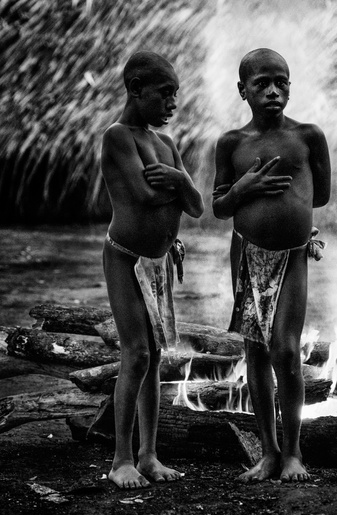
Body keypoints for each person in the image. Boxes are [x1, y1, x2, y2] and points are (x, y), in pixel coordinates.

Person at [212, 48, 331, 483]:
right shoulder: (232, 143)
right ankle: (268, 452)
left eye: (281, 82)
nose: (273, 91)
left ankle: (294, 452)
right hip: (247, 254)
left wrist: (291, 218)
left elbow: (321, 195)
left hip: (293, 255)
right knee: (256, 352)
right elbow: (220, 207)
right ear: (242, 90)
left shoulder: (308, 136)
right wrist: (245, 188)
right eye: (261, 83)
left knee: (285, 349)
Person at [99, 51, 204, 489]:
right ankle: (120, 460)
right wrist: (179, 187)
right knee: (137, 353)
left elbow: (197, 206)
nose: (173, 103)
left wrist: (180, 182)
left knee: (156, 357)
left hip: (157, 262)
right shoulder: (117, 137)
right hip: (125, 257)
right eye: (164, 93)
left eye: (175, 94)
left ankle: (148, 456)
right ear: (136, 89)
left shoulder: (166, 144)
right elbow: (143, 196)